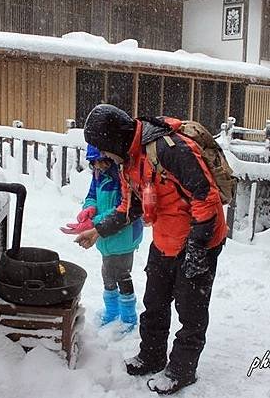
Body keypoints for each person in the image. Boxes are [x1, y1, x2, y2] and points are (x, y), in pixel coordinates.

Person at [75, 104, 227, 395]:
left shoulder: (171, 149)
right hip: (164, 239)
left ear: (113, 141)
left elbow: (206, 198)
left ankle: (182, 371)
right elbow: (129, 206)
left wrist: (196, 251)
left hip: (199, 238)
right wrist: (97, 231)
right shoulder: (129, 160)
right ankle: (152, 355)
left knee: (190, 309)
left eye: (103, 149)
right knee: (155, 302)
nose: (103, 157)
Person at [61, 144, 143, 331]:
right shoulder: (98, 175)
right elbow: (92, 196)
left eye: (102, 162)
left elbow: (120, 212)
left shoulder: (122, 177)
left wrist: (92, 224)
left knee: (122, 275)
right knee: (107, 272)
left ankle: (129, 317)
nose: (98, 167)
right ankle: (112, 310)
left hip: (124, 236)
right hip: (105, 236)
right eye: (94, 163)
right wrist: (88, 208)